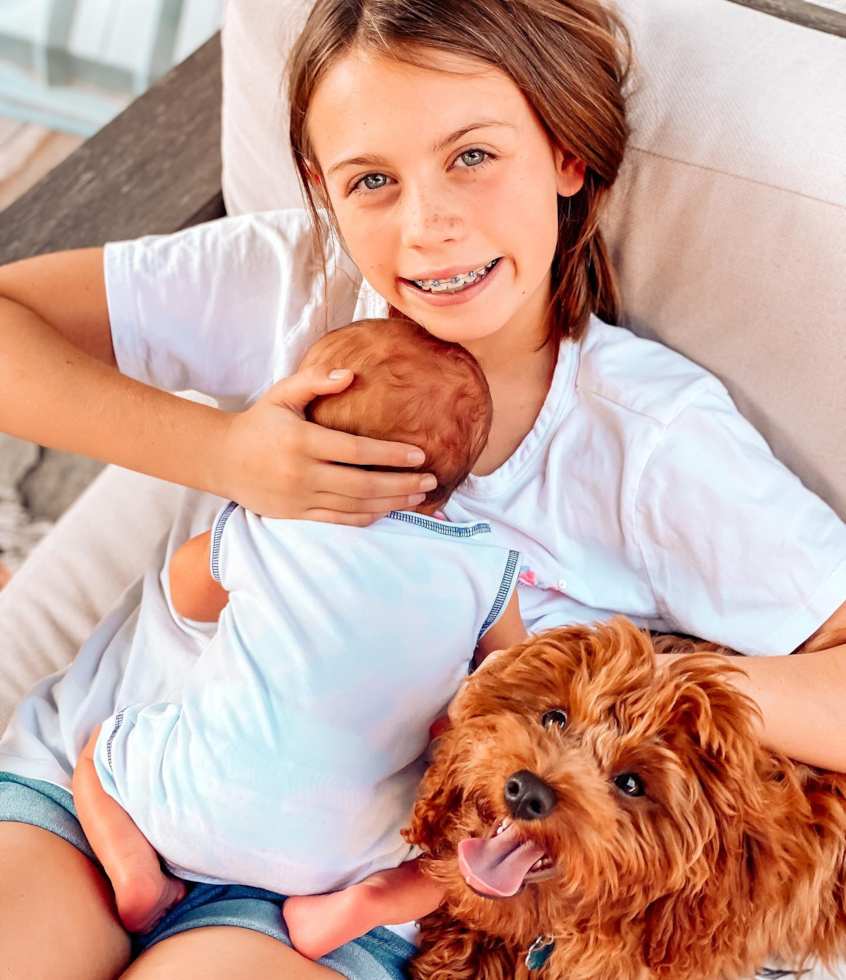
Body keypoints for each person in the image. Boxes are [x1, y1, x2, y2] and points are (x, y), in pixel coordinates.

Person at [1, 0, 845, 976]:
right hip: (106, 786)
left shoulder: (651, 442)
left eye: (472, 156)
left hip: (337, 902)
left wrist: (628, 683)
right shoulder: (297, 286)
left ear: (566, 154)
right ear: (321, 187)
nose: (427, 227)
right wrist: (223, 452)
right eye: (371, 180)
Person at [71, 318, 526, 957]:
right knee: (451, 860)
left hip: (189, 810)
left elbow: (186, 593)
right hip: (342, 857)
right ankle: (365, 904)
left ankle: (135, 872)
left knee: (97, 753)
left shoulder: (270, 526)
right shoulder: (482, 567)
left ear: (306, 442)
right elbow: (516, 675)